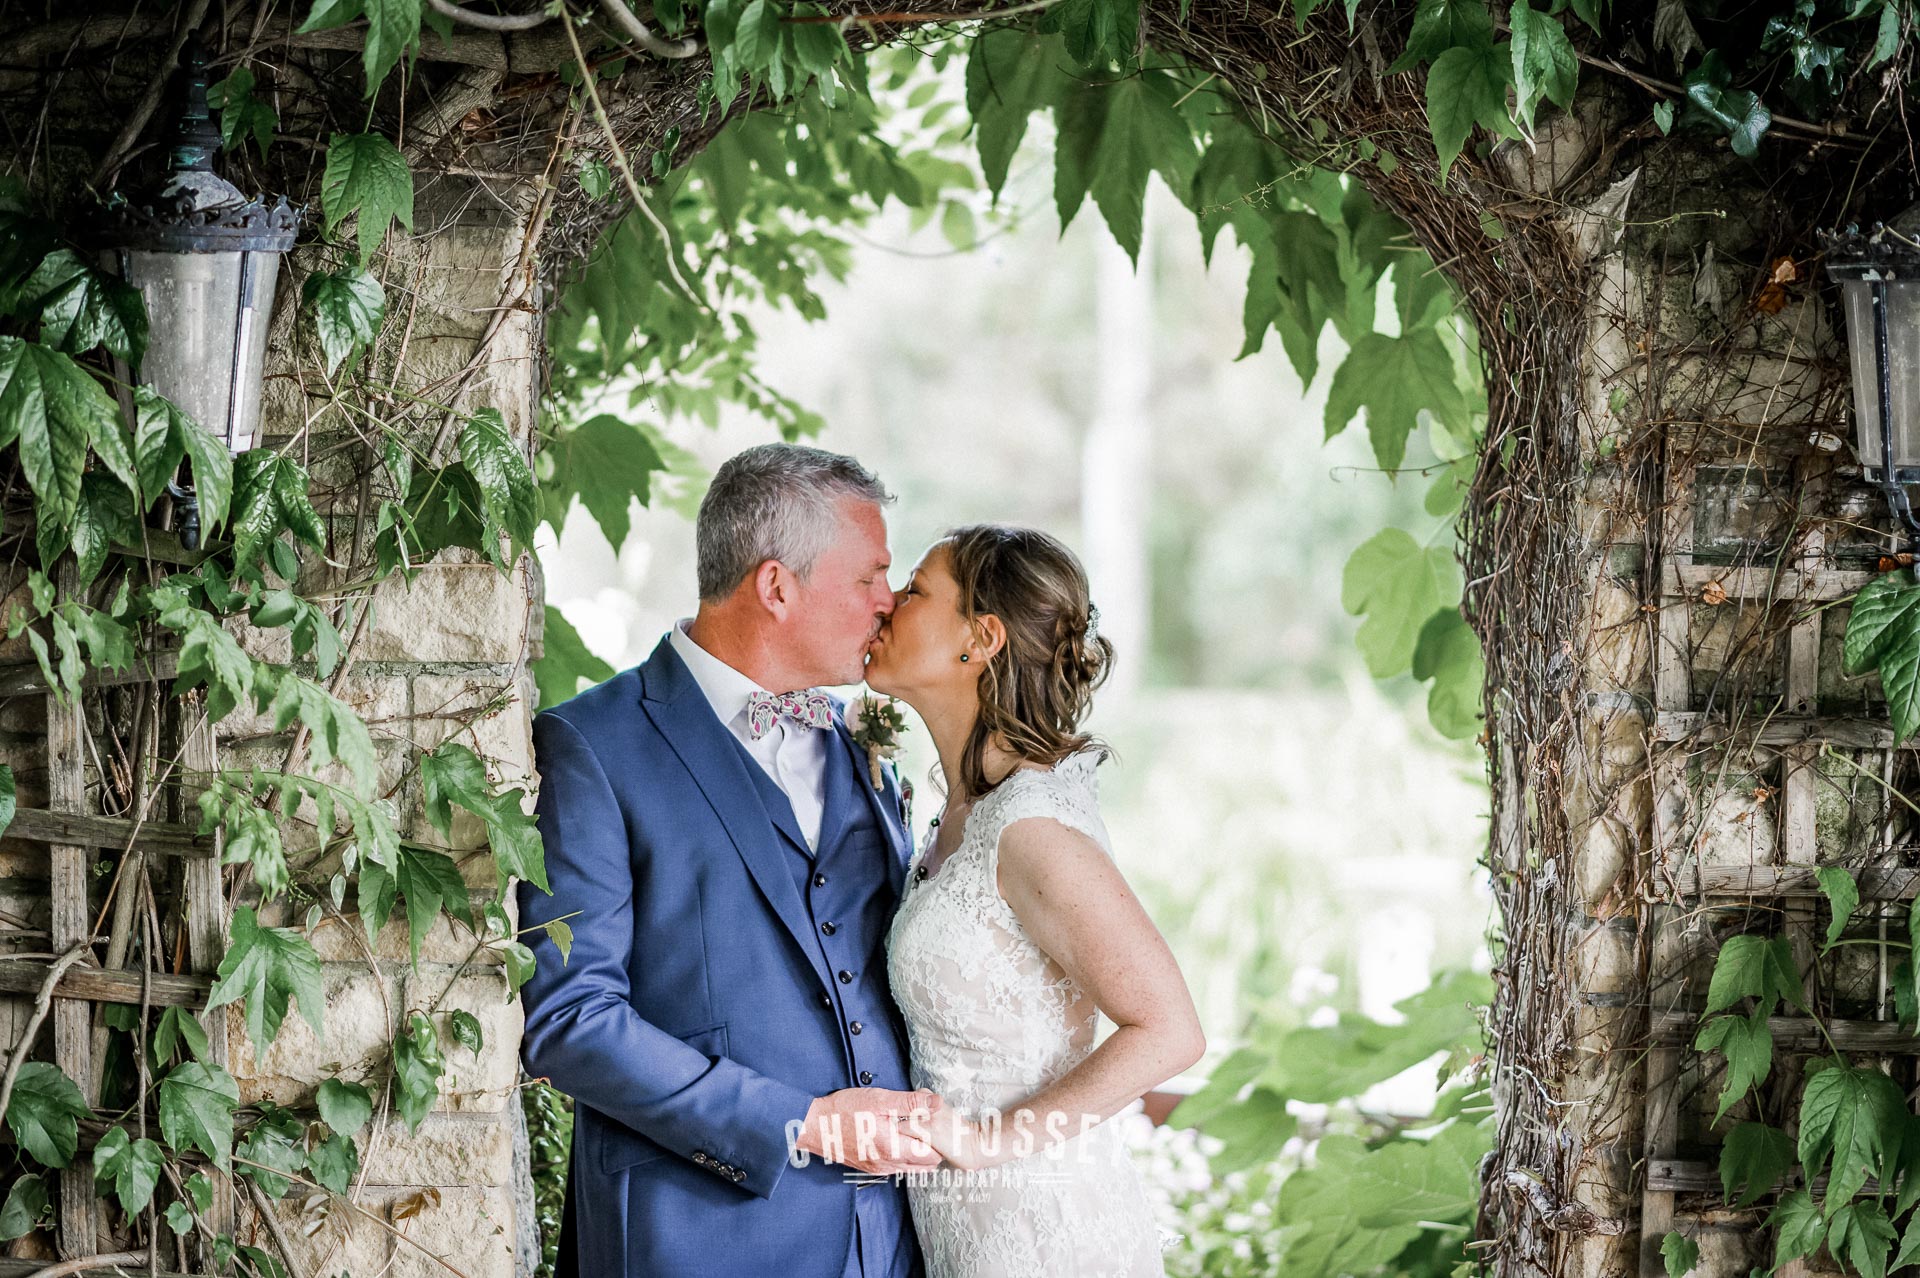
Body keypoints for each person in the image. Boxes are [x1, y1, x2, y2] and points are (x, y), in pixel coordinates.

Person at [516, 442, 940, 1277]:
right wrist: (801, 1123)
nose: (888, 604)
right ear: (777, 586)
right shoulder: (594, 746)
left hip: (886, 1237)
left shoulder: (863, 739)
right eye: (869, 578)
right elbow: (570, 1019)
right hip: (694, 1238)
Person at [872, 524, 1206, 1278]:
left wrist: (987, 1144)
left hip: (1048, 1235)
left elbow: (1171, 1029)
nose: (887, 603)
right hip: (965, 1233)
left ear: (981, 638)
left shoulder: (1030, 827)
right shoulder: (965, 809)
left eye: (917, 589)